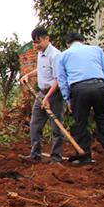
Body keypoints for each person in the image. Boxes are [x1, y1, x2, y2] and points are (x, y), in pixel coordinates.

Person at [56, 32, 104, 165]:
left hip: (79, 90)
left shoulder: (63, 56)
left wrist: (68, 99)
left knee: (81, 122)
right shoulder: (96, 50)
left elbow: (62, 80)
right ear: (83, 40)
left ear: (67, 44)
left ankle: (84, 156)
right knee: (102, 116)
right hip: (99, 86)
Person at [19, 27, 64, 163]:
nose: (36, 45)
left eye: (38, 42)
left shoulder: (55, 55)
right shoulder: (41, 53)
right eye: (34, 42)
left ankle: (56, 158)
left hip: (54, 94)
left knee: (56, 127)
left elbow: (58, 79)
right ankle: (35, 155)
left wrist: (48, 97)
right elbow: (41, 69)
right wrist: (28, 74)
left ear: (47, 39)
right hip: (41, 93)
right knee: (35, 124)